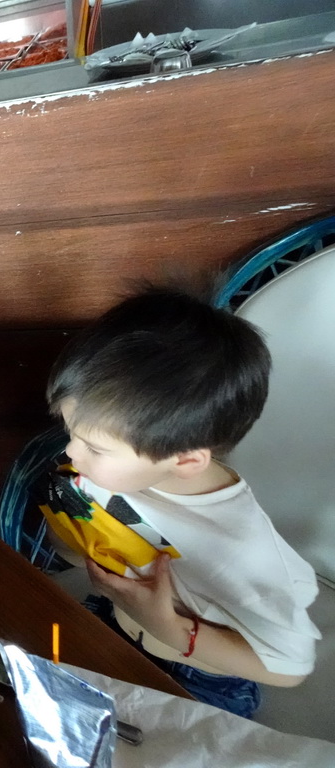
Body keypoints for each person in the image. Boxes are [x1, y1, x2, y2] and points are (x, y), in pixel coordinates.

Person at [41, 287, 319, 718]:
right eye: (69, 429)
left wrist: (167, 627)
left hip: (198, 676)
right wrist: (69, 527)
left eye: (94, 446)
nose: (72, 452)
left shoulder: (239, 551)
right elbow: (79, 552)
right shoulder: (118, 472)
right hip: (118, 621)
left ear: (185, 460)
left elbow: (292, 667)